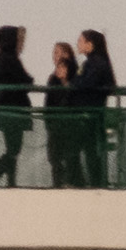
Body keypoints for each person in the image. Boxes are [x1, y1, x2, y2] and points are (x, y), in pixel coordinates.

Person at [69, 29, 117, 187]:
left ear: (90, 44)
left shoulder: (95, 63)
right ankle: (93, 182)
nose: (78, 44)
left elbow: (85, 84)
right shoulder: (94, 62)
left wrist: (74, 84)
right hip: (90, 113)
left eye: (81, 41)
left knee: (81, 150)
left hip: (88, 114)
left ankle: (89, 183)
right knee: (89, 150)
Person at [0, 26, 32, 186]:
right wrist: (29, 80)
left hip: (6, 108)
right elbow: (26, 81)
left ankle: (8, 180)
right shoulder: (9, 58)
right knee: (13, 149)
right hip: (13, 109)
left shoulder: (1, 57)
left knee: (12, 149)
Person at [42, 41, 80, 187]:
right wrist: (48, 121)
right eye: (56, 53)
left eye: (62, 52)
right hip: (55, 124)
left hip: (70, 125)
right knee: (54, 157)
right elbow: (48, 103)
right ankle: (59, 184)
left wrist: (66, 83)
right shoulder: (53, 79)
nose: (58, 56)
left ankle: (73, 182)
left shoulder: (76, 77)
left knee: (71, 157)